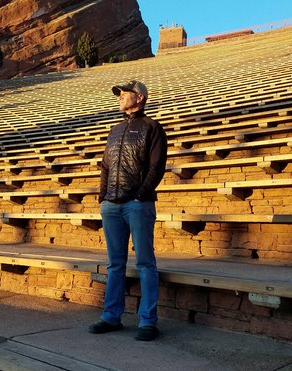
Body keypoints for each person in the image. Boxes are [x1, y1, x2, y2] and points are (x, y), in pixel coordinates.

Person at [88, 80, 168, 342]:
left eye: (125, 94)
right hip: (111, 205)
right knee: (115, 265)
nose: (121, 97)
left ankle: (148, 321)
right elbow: (105, 166)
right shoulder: (115, 130)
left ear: (140, 97)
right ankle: (111, 316)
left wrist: (140, 194)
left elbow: (156, 167)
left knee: (145, 263)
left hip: (137, 204)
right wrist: (103, 197)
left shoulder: (153, 128)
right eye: (120, 94)